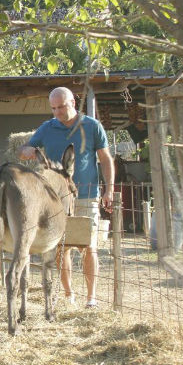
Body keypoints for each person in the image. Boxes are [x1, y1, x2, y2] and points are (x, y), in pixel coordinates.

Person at [18, 87, 114, 308]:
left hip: (86, 195)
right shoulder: (47, 127)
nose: (57, 112)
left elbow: (106, 159)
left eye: (61, 107)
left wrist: (109, 189)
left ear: (73, 101)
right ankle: (69, 295)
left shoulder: (92, 126)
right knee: (61, 247)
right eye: (53, 108)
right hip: (56, 199)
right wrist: (26, 151)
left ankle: (91, 298)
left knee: (89, 247)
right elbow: (25, 148)